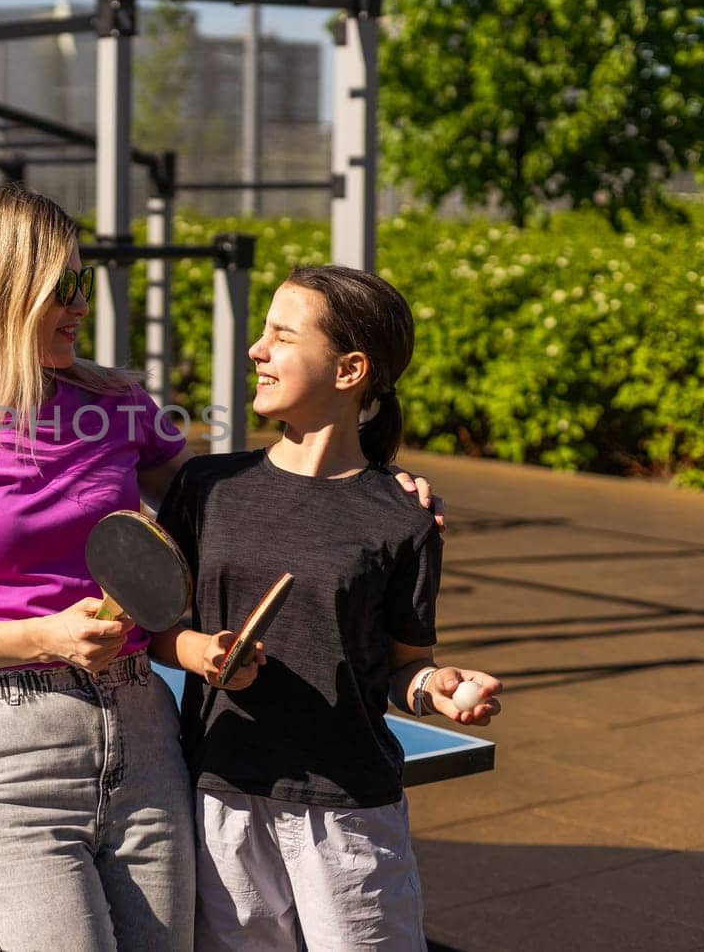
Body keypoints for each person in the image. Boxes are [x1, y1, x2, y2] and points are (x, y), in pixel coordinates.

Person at [0, 187, 440, 950]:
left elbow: (240, 505)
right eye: (59, 288)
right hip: (8, 747)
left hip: (147, 738)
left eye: (82, 283)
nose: (78, 305)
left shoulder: (117, 404)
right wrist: (47, 636)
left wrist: (374, 492)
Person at [151, 264, 503, 951]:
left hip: (348, 816)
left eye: (281, 335)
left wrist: (440, 686)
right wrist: (200, 652)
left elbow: (403, 668)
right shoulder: (207, 485)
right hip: (221, 796)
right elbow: (159, 631)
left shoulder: (404, 514)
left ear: (350, 369)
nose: (257, 349)